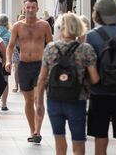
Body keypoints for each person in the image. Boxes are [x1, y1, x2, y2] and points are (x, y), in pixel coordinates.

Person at [36, 12, 99, 155]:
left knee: (59, 142)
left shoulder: (51, 48)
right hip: (77, 100)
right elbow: (95, 78)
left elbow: (41, 79)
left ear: (61, 28)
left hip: (54, 100)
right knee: (78, 144)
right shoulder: (86, 49)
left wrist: (39, 102)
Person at [5, 0, 53, 144]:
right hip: (24, 65)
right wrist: (8, 60)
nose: (31, 10)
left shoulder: (44, 25)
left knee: (39, 99)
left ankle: (38, 131)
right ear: (24, 9)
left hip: (40, 65)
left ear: (37, 8)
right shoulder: (18, 26)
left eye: (33, 7)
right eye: (28, 7)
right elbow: (11, 46)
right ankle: (32, 130)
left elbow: (50, 45)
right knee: (29, 100)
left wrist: (51, 63)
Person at [85, 0, 116, 155]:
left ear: (97, 13)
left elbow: (89, 66)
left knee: (100, 136)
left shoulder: (92, 36)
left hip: (99, 93)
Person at [11, 14, 25, 92]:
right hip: (16, 51)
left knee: (23, 69)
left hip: (25, 51)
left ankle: (22, 85)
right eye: (20, 19)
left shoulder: (28, 29)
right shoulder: (15, 28)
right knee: (16, 69)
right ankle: (16, 85)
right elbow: (12, 41)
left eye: (23, 19)